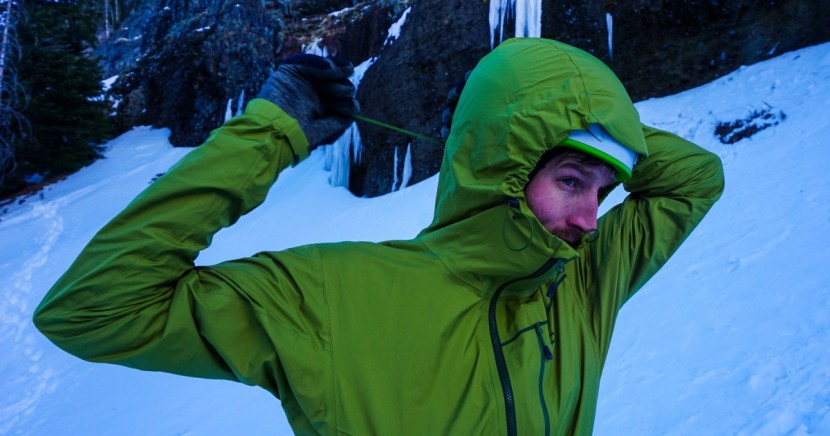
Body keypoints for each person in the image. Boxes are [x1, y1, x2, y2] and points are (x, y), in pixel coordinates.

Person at [34, 38, 724, 435]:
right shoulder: (334, 298)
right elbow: (94, 309)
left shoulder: (584, 284)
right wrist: (272, 131)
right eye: (572, 182)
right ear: (502, 167)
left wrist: (584, 127)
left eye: (605, 192)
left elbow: (695, 177)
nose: (592, 221)